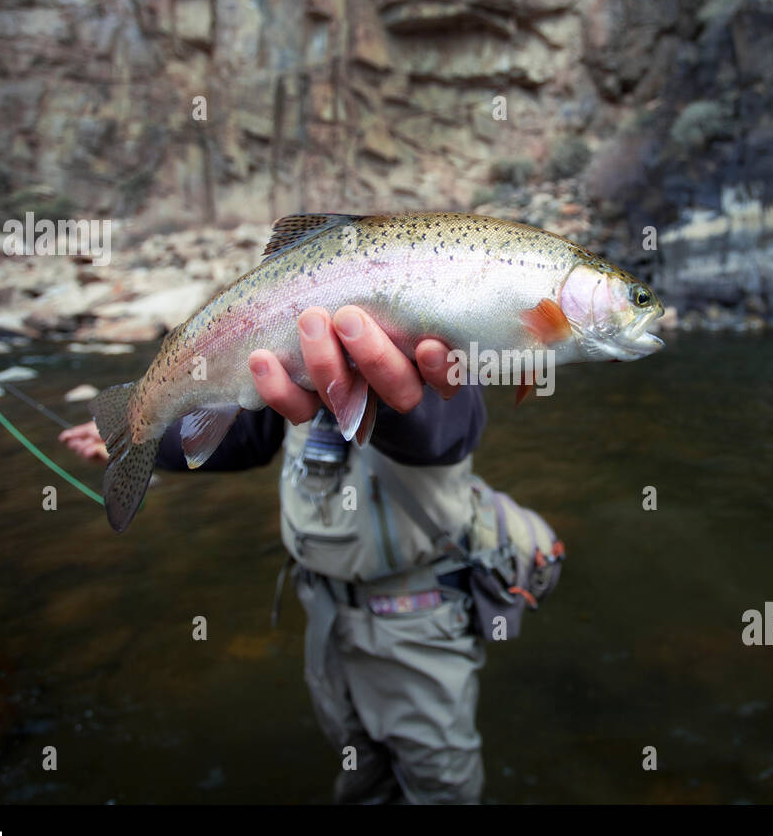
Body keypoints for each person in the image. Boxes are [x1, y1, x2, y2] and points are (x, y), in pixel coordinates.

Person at [61, 305, 489, 803]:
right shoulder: (296, 361)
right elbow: (244, 440)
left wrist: (382, 389)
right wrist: (142, 438)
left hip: (418, 620)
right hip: (323, 613)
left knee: (440, 787)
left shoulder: (447, 366)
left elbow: (446, 432)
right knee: (361, 773)